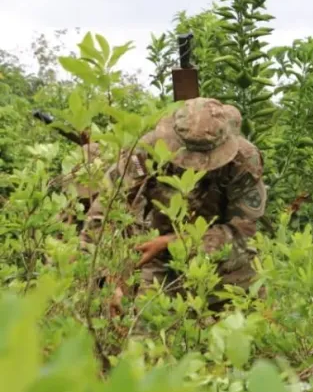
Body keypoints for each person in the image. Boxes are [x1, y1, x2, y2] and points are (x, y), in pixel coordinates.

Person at [84, 97, 267, 307]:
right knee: (147, 329)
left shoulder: (244, 160)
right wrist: (109, 277)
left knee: (244, 330)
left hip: (225, 261)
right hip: (159, 260)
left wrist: (172, 242)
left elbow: (242, 234)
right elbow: (104, 213)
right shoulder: (146, 151)